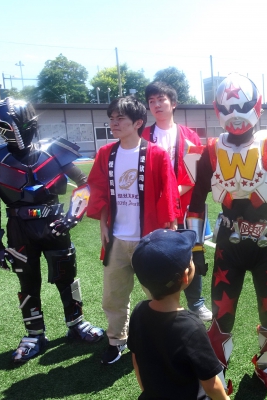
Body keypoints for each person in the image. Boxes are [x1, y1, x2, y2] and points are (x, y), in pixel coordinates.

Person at [186, 73, 267, 396]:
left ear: (257, 106)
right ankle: (216, 371)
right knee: (221, 314)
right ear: (217, 109)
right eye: (227, 108)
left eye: (242, 106)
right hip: (228, 244)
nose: (235, 115)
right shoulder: (209, 151)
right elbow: (195, 202)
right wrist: (195, 248)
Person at [0, 97, 103, 363]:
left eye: (11, 126)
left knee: (67, 278)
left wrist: (72, 217)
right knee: (28, 283)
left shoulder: (55, 151)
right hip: (19, 230)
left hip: (56, 226)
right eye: (3, 127)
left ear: (27, 124)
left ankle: (76, 323)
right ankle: (35, 334)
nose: (9, 133)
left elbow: (85, 185)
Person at [86, 95, 180, 365]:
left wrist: (167, 235)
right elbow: (99, 191)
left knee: (159, 294)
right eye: (111, 118)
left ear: (138, 122)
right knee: (113, 296)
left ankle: (165, 339)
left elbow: (169, 195)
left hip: (148, 240)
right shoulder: (106, 153)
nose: (114, 123)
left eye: (120, 118)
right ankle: (116, 341)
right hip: (116, 239)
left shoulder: (156, 154)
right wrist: (103, 224)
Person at [128, 229, 230, 400]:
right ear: (185, 276)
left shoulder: (138, 311)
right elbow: (211, 385)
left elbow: (136, 359)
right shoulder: (192, 327)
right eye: (191, 259)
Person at [142, 81, 212, 322]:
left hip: (186, 205)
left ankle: (196, 303)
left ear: (173, 103)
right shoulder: (143, 136)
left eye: (161, 99)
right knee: (157, 256)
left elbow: (194, 174)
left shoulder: (190, 136)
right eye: (151, 101)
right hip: (155, 208)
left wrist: (173, 195)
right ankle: (160, 303)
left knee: (191, 252)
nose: (156, 105)